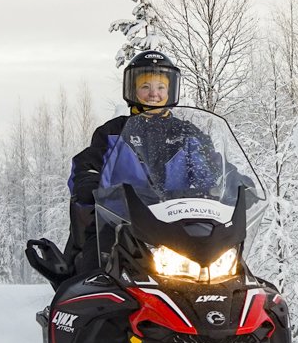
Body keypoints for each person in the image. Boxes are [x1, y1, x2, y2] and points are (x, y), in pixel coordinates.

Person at [63, 51, 218, 275]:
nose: (153, 93)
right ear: (133, 89)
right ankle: (87, 301)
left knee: (225, 268)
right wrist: (88, 181)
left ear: (170, 90)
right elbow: (86, 164)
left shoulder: (187, 134)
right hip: (121, 224)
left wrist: (235, 184)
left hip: (178, 225)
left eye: (161, 87)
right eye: (145, 86)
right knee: (95, 264)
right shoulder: (113, 133)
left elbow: (211, 169)